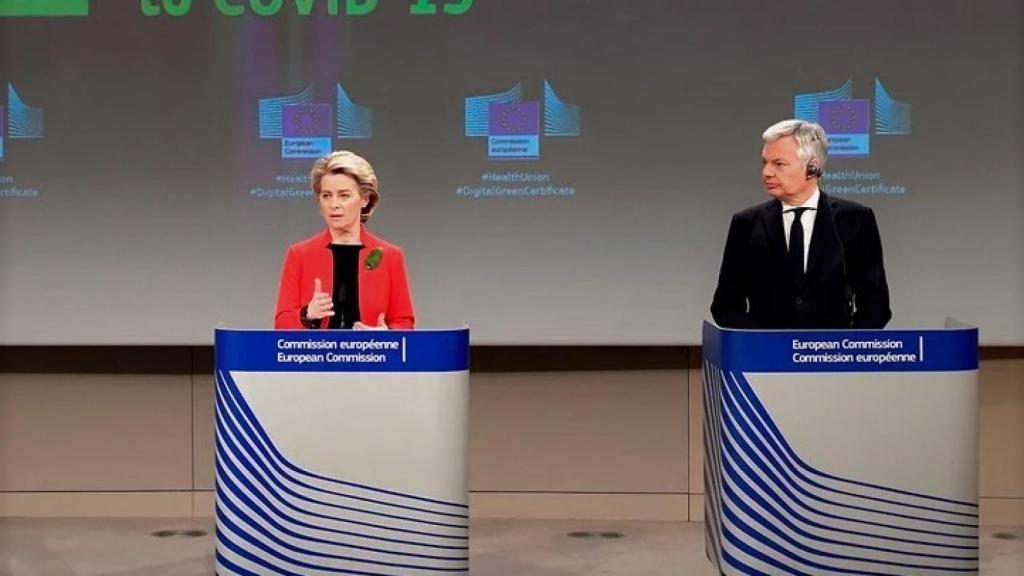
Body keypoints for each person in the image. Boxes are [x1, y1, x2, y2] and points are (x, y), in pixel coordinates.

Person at [710, 119, 891, 329]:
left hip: (833, 356)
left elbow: (875, 305)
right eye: (764, 163)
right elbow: (725, 306)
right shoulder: (746, 224)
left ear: (812, 167)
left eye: (779, 164)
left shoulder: (855, 219)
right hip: (766, 358)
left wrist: (845, 348)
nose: (766, 173)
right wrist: (762, 346)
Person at [274, 150, 415, 330]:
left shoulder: (390, 256)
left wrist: (387, 335)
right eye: (326, 195)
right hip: (315, 356)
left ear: (364, 199)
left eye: (344, 195)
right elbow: (280, 325)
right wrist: (308, 314)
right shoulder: (299, 254)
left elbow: (405, 322)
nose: (334, 204)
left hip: (371, 355)